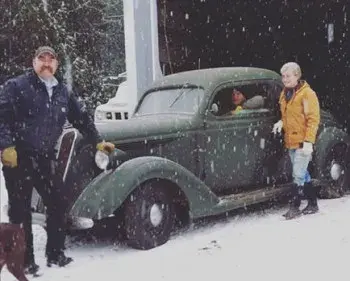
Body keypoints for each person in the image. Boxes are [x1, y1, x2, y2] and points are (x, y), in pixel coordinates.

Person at [0, 46, 115, 274]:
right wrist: (6, 146)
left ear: (56, 64)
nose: (46, 63)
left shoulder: (62, 91)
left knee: (57, 202)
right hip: (18, 158)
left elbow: (81, 118)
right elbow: (2, 116)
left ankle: (55, 253)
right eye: (41, 59)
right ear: (33, 62)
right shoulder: (17, 86)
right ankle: (24, 261)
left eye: (51, 59)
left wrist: (98, 142)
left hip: (43, 158)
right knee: (20, 210)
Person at [272, 62, 320, 220]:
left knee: (297, 176)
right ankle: (313, 203)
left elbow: (313, 119)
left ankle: (295, 207)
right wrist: (281, 123)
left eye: (288, 76)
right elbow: (289, 116)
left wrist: (308, 141)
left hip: (302, 143)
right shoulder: (285, 93)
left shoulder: (307, 94)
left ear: (297, 76)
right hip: (290, 141)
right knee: (304, 174)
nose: (285, 79)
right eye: (283, 76)